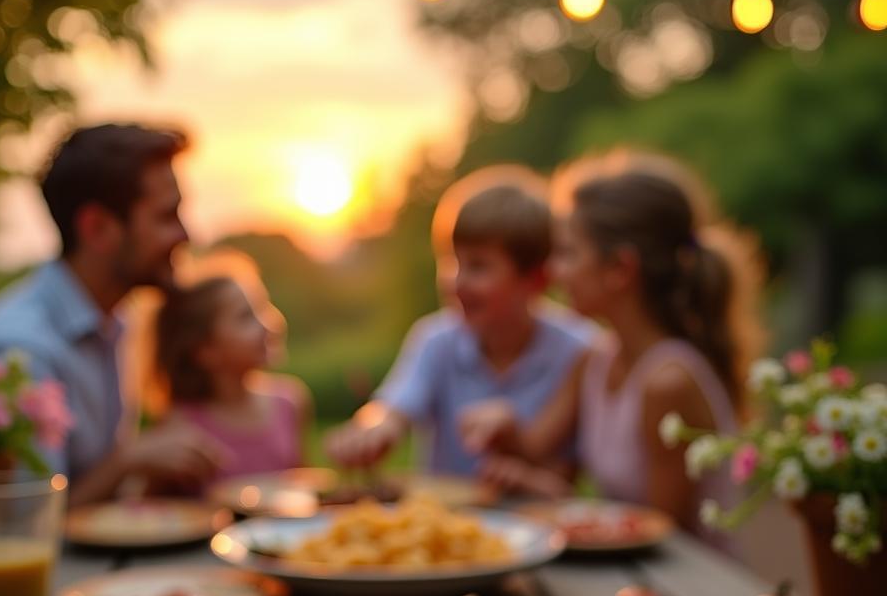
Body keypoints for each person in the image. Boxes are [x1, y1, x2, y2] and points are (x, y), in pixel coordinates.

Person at [459, 150, 764, 539]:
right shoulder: (596, 359)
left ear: (620, 269)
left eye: (567, 253)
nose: (552, 271)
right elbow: (533, 447)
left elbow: (658, 532)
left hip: (685, 589)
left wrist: (556, 497)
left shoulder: (668, 383)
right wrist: (507, 430)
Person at [0, 123, 227, 505]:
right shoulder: (20, 351)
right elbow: (27, 519)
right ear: (97, 228)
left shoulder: (116, 321)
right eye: (167, 216)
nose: (187, 235)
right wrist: (129, 461)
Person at [324, 166, 595, 476]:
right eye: (451, 260)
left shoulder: (580, 350)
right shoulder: (435, 339)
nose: (456, 281)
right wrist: (374, 429)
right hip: (447, 521)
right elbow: (392, 409)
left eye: (478, 266)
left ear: (534, 279)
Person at [151, 253, 312, 485]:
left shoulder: (290, 402)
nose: (267, 324)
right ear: (205, 351)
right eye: (246, 316)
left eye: (262, 307)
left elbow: (302, 488)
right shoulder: (180, 424)